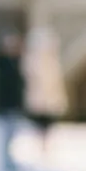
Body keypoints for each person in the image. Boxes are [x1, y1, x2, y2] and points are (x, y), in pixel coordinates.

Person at [23, 19, 68, 160]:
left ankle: (44, 145)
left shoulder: (49, 60)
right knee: (41, 122)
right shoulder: (36, 60)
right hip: (41, 97)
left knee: (46, 122)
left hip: (47, 97)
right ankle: (42, 144)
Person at [0, 29, 25, 171]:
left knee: (13, 135)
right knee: (8, 136)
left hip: (14, 104)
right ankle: (7, 163)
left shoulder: (16, 62)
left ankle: (10, 162)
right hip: (7, 104)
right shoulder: (3, 64)